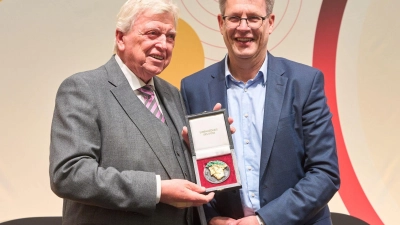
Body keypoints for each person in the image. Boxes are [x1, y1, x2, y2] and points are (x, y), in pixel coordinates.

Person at [49, 0, 215, 224]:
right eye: (152, 33)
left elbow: (173, 165)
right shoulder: (83, 89)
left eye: (170, 37)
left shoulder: (172, 94)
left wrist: (209, 145)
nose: (163, 44)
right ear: (120, 38)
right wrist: (157, 190)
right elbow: (69, 174)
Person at [180, 0, 340, 224]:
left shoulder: (304, 83)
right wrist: (211, 218)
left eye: (254, 18)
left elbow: (325, 173)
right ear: (221, 23)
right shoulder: (193, 88)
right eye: (234, 18)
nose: (243, 27)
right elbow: (187, 171)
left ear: (270, 22)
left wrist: (263, 221)